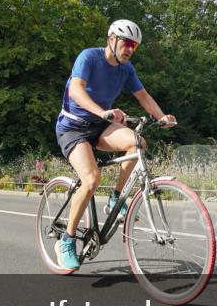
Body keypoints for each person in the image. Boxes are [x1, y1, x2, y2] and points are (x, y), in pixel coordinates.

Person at [53, 19, 176, 271]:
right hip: (73, 128)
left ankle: (115, 199)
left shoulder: (126, 69)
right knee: (90, 180)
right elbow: (76, 90)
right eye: (127, 43)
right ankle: (66, 240)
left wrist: (161, 117)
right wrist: (103, 112)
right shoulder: (89, 57)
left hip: (100, 126)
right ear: (112, 39)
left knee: (137, 143)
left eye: (135, 46)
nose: (130, 49)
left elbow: (143, 96)